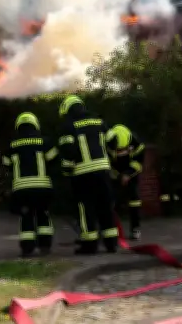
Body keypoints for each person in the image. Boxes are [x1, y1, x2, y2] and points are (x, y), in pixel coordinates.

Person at [57, 95, 119, 255]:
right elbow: (114, 141)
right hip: (103, 172)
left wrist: (66, 170)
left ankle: (90, 245)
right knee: (106, 206)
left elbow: (68, 151)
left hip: (83, 175)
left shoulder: (69, 126)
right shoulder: (99, 121)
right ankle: (111, 243)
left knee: (86, 209)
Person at [3, 112, 58, 257]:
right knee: (43, 214)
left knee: (26, 216)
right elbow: (53, 159)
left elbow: (6, 164)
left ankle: (27, 248)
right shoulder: (44, 142)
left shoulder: (12, 145)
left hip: (21, 189)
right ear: (35, 124)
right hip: (42, 188)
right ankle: (45, 246)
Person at [106, 124, 146, 241]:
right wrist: (116, 176)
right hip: (114, 173)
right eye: (118, 150)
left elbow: (138, 163)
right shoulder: (108, 142)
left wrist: (128, 174)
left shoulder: (137, 144)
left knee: (134, 200)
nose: (120, 152)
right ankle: (111, 230)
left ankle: (135, 228)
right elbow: (106, 163)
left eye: (123, 150)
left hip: (130, 172)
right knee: (110, 201)